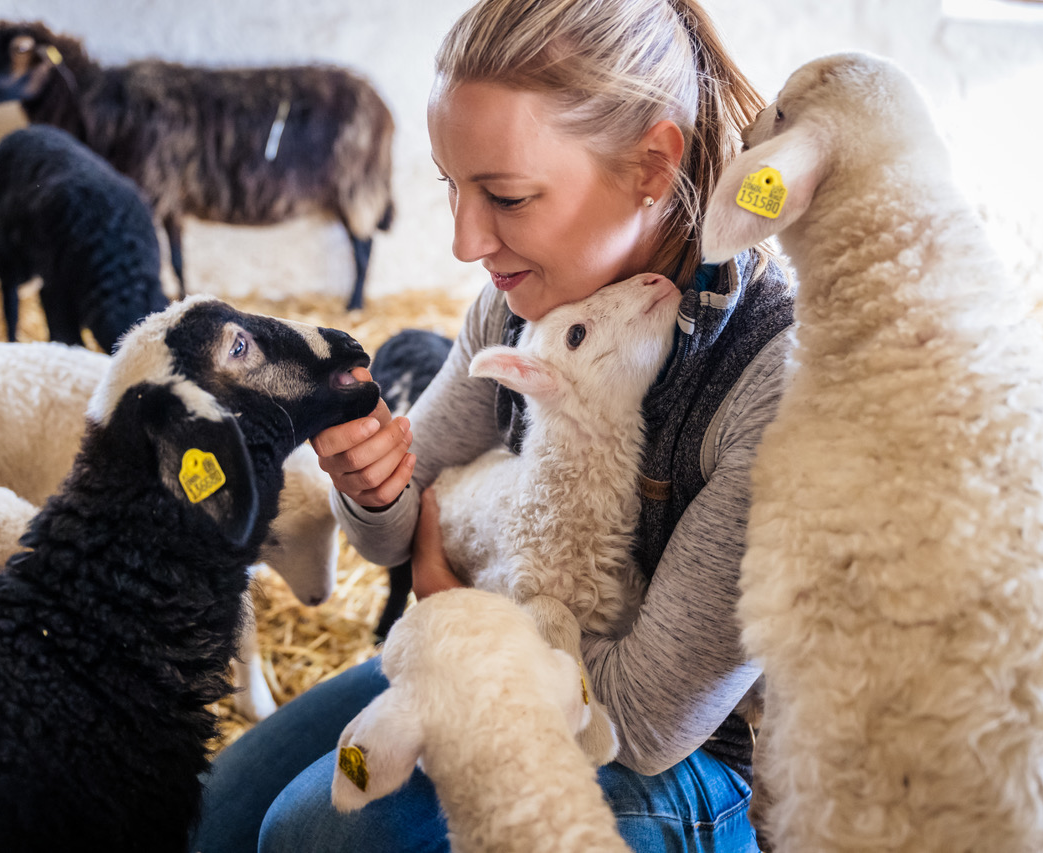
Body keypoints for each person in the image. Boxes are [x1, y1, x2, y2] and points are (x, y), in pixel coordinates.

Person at [190, 0, 794, 850]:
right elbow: (396, 529)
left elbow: (649, 722)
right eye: (451, 186)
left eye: (505, 196)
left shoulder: (768, 378)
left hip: (691, 764)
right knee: (215, 809)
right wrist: (367, 481)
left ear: (652, 166)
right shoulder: (514, 306)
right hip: (491, 640)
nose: (466, 240)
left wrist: (460, 612)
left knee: (315, 836)